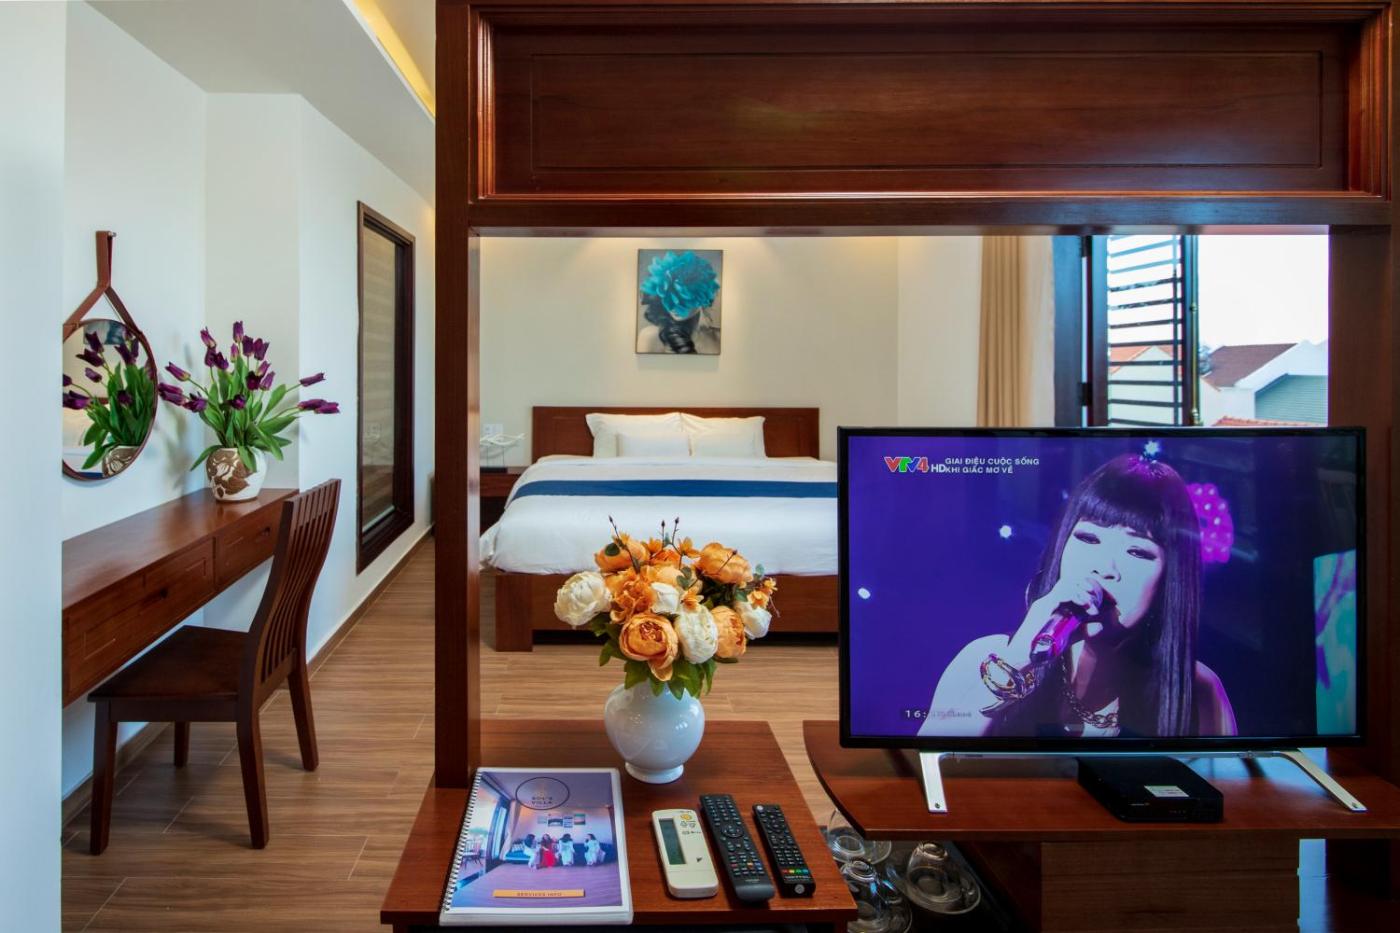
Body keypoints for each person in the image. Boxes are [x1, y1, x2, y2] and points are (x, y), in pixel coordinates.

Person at [921, 452, 1237, 739]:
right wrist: (1017, 661)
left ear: (1170, 579)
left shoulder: (1199, 690)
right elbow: (930, 768)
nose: (1104, 568)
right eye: (1088, 538)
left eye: (1137, 552)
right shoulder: (984, 660)